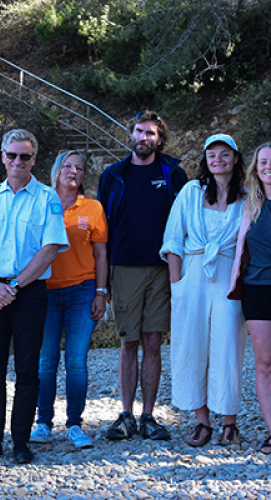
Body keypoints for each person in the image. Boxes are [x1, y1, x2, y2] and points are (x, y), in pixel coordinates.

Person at [0, 129, 69, 465]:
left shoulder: (47, 197)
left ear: (34, 159)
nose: (17, 161)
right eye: (12, 155)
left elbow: (50, 249)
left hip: (29, 291)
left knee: (27, 369)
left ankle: (21, 441)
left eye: (24, 156)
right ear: (3, 157)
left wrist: (15, 287)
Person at [96, 111, 187, 441]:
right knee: (128, 342)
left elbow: (184, 224)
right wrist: (101, 281)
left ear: (159, 139)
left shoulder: (173, 173)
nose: (144, 137)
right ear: (130, 135)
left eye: (150, 133)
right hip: (124, 267)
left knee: (152, 342)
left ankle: (148, 415)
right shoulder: (112, 176)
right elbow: (101, 230)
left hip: (161, 268)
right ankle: (125, 415)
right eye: (139, 131)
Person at [161, 134, 246, 447]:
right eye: (212, 155)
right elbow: (173, 240)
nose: (218, 160)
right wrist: (177, 285)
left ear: (236, 159)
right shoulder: (191, 192)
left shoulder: (247, 197)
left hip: (229, 277)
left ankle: (230, 422)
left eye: (225, 154)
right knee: (190, 345)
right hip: (193, 275)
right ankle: (201, 421)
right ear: (205, 160)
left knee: (228, 348)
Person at [30, 150, 108, 448]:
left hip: (81, 290)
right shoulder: (41, 203)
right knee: (46, 361)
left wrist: (101, 292)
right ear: (56, 171)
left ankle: (75, 424)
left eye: (78, 167)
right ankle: (43, 423)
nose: (72, 171)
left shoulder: (93, 208)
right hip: (44, 291)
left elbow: (101, 254)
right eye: (67, 166)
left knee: (76, 361)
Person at [229, 142, 271, 455]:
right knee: (265, 363)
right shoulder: (250, 206)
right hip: (257, 290)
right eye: (263, 162)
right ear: (256, 169)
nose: (268, 167)